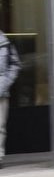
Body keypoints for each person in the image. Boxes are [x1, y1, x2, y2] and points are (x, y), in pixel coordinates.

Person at [0, 30, 21, 169]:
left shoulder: (4, 42)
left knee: (0, 126)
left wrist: (5, 82)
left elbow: (15, 64)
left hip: (1, 92)